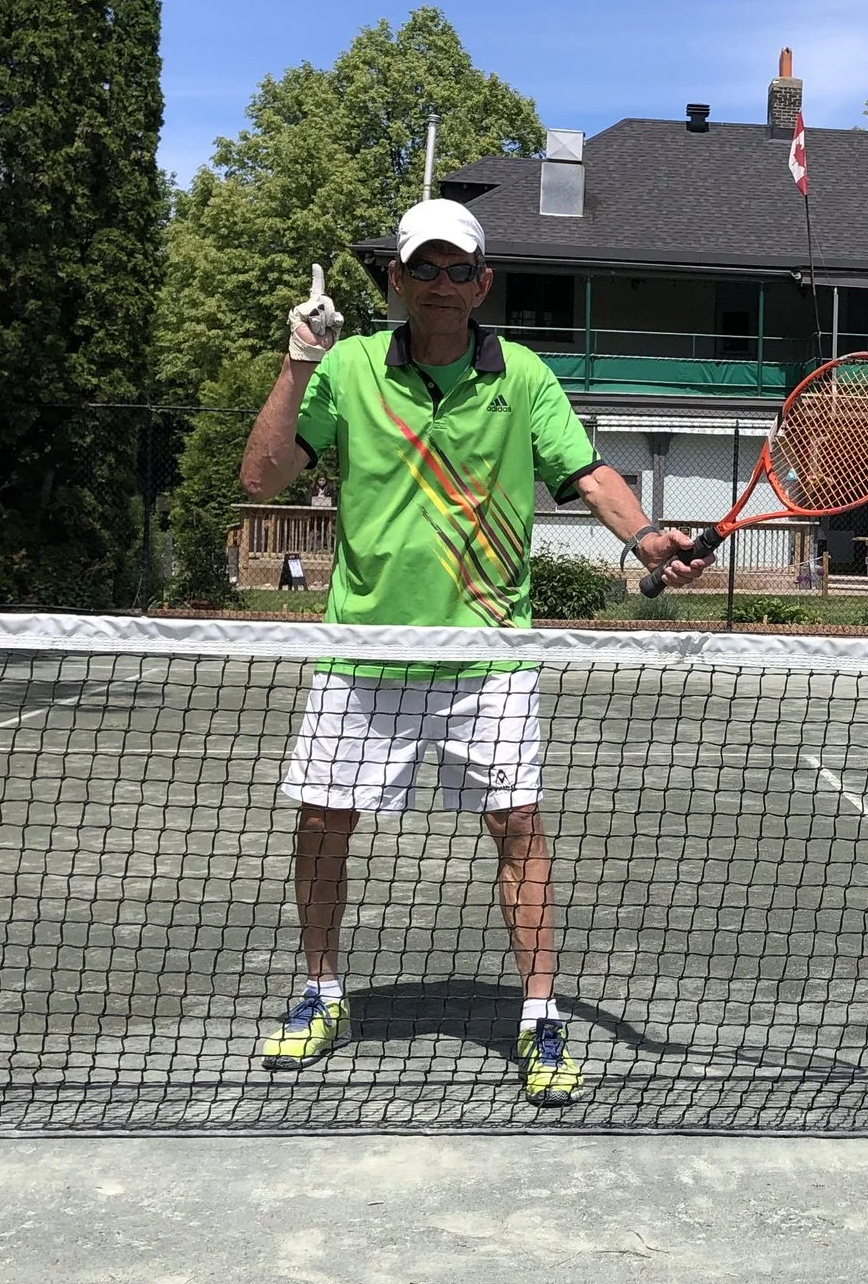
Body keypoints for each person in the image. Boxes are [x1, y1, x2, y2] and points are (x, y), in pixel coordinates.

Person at [238, 197, 708, 1104]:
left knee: (518, 827)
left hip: (487, 657)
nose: (443, 285)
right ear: (397, 280)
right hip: (364, 654)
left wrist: (645, 536)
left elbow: (590, 473)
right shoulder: (347, 368)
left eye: (460, 270)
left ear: (483, 282)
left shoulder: (524, 378)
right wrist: (297, 362)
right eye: (426, 268)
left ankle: (539, 1016)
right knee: (320, 823)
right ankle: (323, 992)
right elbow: (262, 477)